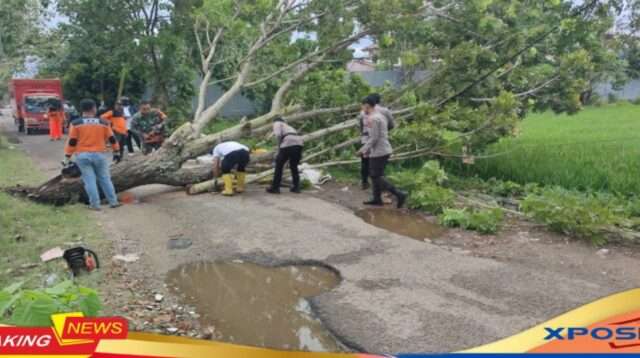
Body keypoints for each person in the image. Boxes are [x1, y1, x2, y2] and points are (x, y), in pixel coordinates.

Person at [64, 99, 122, 211]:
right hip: (99, 155)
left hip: (82, 156)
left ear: (82, 109)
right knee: (105, 179)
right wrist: (117, 152)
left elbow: (72, 141)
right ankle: (113, 202)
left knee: (89, 180)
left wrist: (67, 156)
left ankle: (95, 205)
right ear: (94, 108)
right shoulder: (104, 123)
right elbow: (112, 139)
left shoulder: (76, 123)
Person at [358, 95, 407, 208]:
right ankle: (376, 199)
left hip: (380, 151)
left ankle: (399, 194)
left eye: (362, 105)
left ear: (367, 105)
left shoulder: (375, 118)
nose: (361, 108)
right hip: (379, 149)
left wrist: (363, 149)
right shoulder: (378, 115)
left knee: (376, 176)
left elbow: (374, 138)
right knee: (374, 174)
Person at [358, 93, 395, 190]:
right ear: (379, 101)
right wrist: (382, 131)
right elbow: (391, 124)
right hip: (378, 142)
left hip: (366, 139)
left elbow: (361, 126)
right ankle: (381, 189)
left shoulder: (363, 112)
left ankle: (365, 182)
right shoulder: (384, 111)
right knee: (378, 167)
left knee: (365, 163)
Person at [266, 117, 304, 194]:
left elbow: (278, 135)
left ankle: (275, 187)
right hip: (299, 144)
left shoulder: (277, 123)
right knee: (294, 166)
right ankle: (296, 187)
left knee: (279, 165)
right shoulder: (289, 126)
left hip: (288, 143)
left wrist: (279, 148)